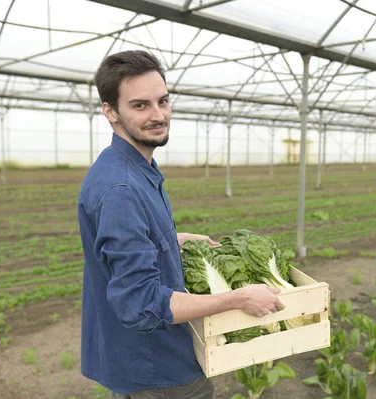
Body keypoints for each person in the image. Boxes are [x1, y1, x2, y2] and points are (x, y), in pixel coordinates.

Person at [77, 50, 285, 399]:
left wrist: (170, 240)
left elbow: (123, 247)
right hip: (158, 367)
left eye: (163, 101)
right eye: (140, 106)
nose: (158, 115)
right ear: (110, 111)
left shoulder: (132, 167)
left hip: (143, 359)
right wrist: (238, 298)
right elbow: (142, 303)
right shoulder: (121, 188)